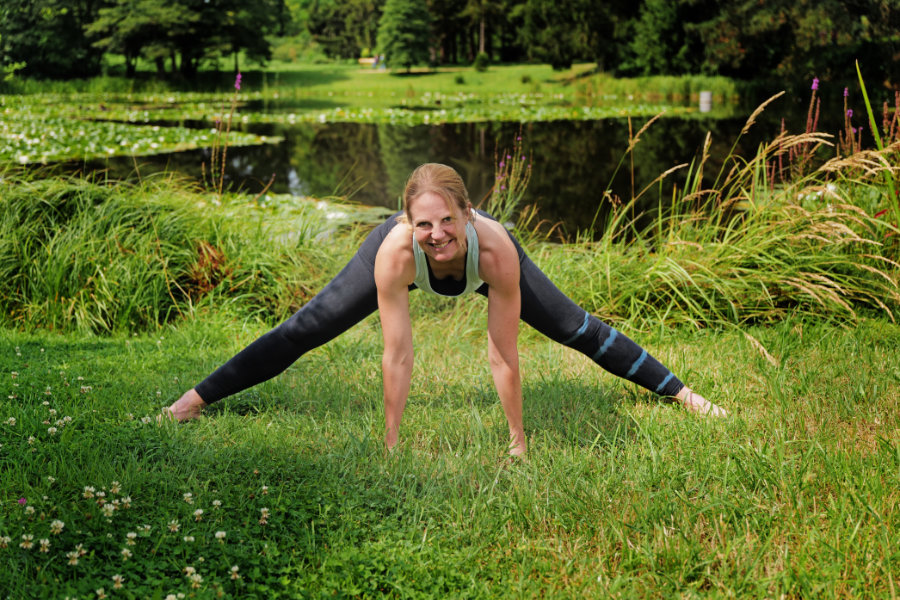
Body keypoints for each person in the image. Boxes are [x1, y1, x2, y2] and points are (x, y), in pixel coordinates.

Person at [164, 163, 726, 455]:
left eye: (447, 220)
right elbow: (398, 355)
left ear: (468, 213)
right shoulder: (395, 252)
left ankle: (685, 395)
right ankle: (190, 403)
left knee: (575, 328)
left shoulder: (497, 249)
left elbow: (503, 356)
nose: (436, 234)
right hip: (391, 266)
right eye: (423, 223)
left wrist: (518, 443)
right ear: (407, 223)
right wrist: (391, 443)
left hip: (488, 265)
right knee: (307, 327)